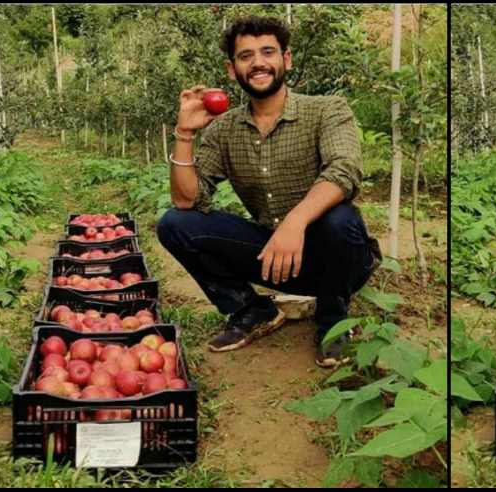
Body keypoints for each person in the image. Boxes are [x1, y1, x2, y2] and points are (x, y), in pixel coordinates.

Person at [157, 16, 381, 367]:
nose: (258, 62)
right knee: (174, 223)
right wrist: (184, 134)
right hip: (275, 257)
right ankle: (252, 310)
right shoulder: (225, 129)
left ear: (285, 60)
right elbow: (188, 199)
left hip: (335, 257)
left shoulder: (327, 110)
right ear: (233, 70)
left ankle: (333, 319)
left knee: (341, 219)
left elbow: (344, 171)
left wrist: (295, 223)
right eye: (246, 56)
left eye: (267, 52)